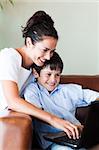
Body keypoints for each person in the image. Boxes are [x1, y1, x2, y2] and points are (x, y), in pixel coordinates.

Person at [0, 10, 79, 143]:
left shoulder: (35, 70)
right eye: (45, 50)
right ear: (29, 42)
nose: (48, 57)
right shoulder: (9, 57)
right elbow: (12, 101)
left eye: (52, 51)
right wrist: (54, 120)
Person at [24, 52, 99, 150]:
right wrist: (65, 125)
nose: (53, 80)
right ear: (35, 73)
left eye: (57, 75)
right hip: (52, 141)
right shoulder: (32, 90)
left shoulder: (68, 90)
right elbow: (37, 113)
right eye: (48, 74)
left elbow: (94, 96)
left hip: (77, 135)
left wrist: (83, 129)